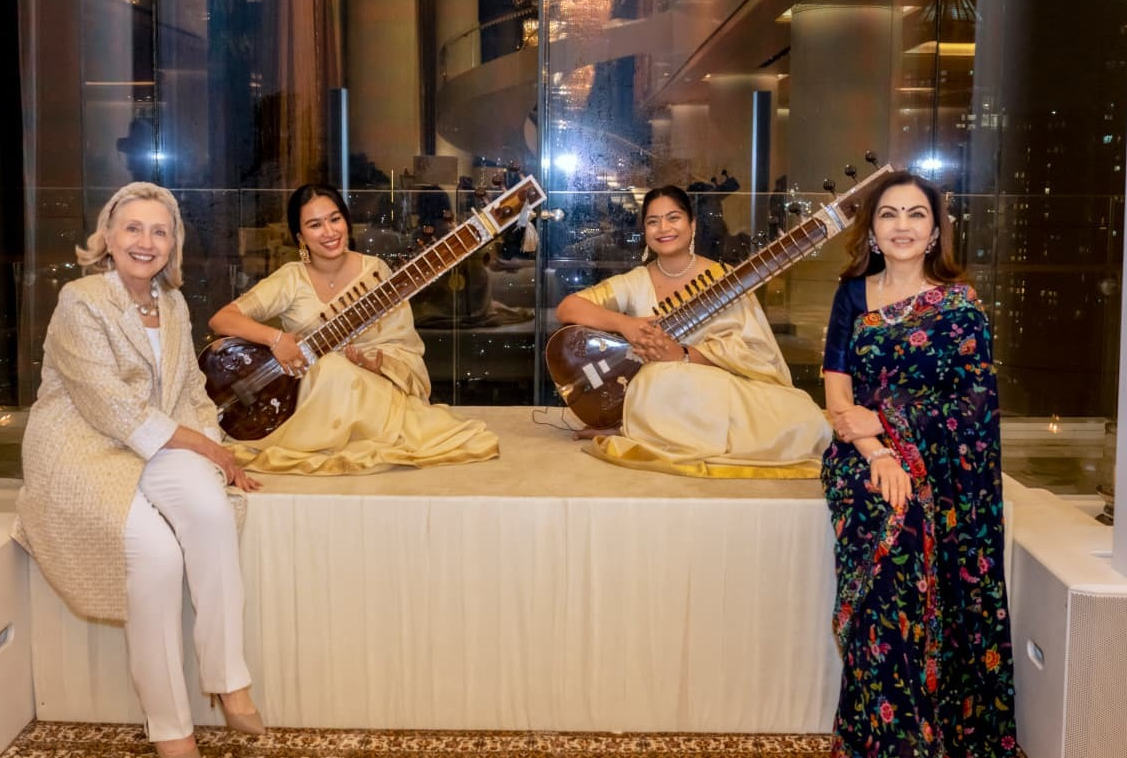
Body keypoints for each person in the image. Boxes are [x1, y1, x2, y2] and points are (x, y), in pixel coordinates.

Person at [14, 183, 264, 758]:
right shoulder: (81, 300)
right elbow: (110, 406)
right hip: (84, 448)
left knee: (209, 509)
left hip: (153, 441)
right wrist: (208, 450)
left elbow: (192, 391)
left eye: (160, 230)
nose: (145, 242)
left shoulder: (172, 303)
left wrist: (216, 447)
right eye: (133, 228)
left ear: (173, 242)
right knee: (157, 555)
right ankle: (170, 727)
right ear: (107, 236)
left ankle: (229, 681)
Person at [821, 171, 1016, 757]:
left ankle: (931, 735)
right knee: (886, 517)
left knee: (907, 525)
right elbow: (838, 395)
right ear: (872, 230)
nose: (902, 226)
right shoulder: (852, 293)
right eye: (888, 214)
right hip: (861, 458)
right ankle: (884, 739)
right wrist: (877, 449)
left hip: (943, 466)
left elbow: (976, 403)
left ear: (935, 231)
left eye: (915, 215)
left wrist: (886, 421)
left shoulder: (959, 306)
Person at [208, 182, 498, 474]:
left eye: (335, 219)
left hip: (367, 390)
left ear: (346, 221)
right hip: (308, 399)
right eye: (315, 224)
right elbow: (222, 319)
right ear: (300, 237)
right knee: (332, 368)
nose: (330, 232)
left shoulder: (376, 272)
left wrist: (376, 363)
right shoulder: (291, 278)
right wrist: (276, 338)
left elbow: (401, 344)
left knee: (440, 429)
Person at [555, 184, 830, 478]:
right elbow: (568, 308)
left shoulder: (725, 281)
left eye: (673, 218)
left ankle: (644, 426)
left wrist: (684, 355)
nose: (664, 228)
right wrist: (627, 325)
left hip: (720, 393)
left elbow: (756, 352)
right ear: (645, 232)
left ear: (692, 225)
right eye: (653, 221)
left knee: (809, 422)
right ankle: (642, 421)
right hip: (661, 392)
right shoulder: (636, 281)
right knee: (657, 377)